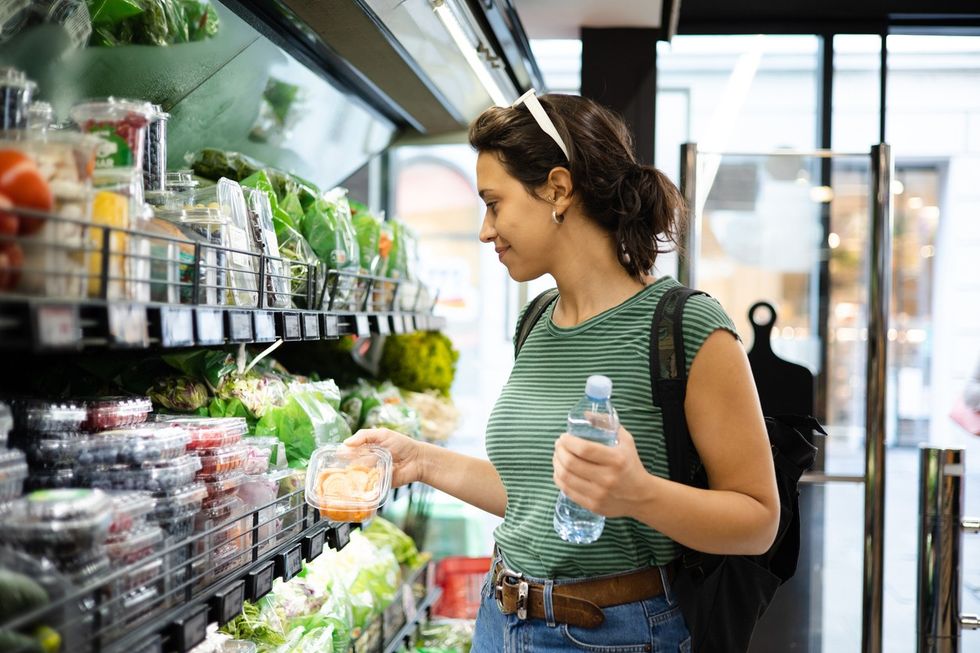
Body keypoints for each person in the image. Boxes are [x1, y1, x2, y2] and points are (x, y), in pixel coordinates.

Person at [346, 91, 779, 651]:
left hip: (618, 633)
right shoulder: (535, 321)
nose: (484, 229)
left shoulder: (685, 326)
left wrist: (638, 494)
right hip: (501, 621)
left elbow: (758, 520)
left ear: (557, 187)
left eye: (494, 203)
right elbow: (538, 496)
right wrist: (421, 459)